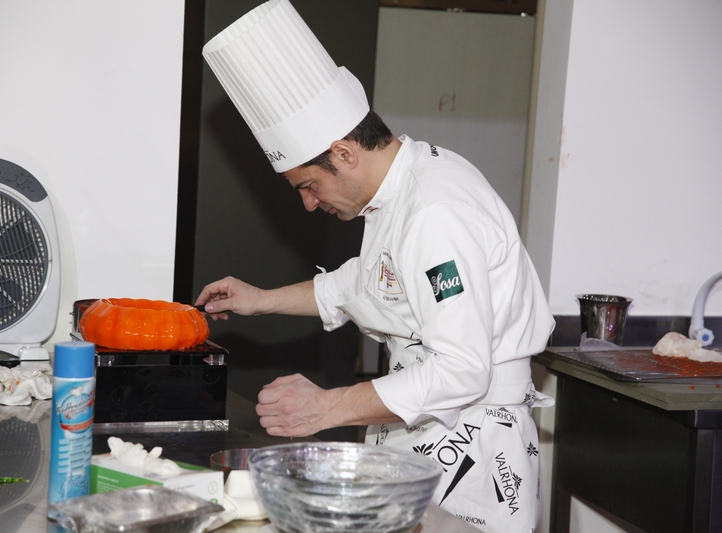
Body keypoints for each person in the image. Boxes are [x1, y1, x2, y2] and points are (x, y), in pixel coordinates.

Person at [198, 1, 554, 531]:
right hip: (416, 432)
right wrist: (261, 299)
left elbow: (462, 369)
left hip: (473, 451)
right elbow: (366, 283)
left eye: (308, 186)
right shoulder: (400, 192)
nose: (309, 204)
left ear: (343, 153)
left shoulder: (435, 213)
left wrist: (326, 408)